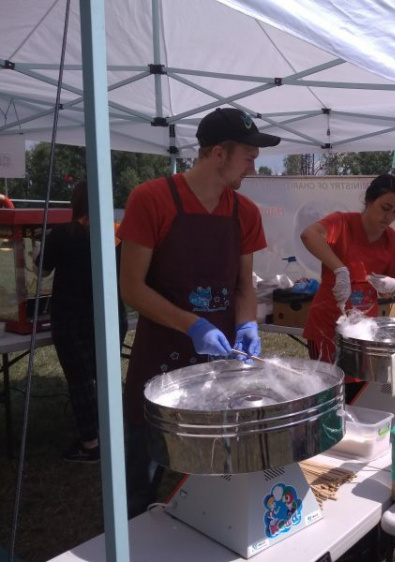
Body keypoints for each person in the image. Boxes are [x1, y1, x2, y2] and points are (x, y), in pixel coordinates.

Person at [118, 107, 279, 517]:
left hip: (220, 364)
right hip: (160, 358)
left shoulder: (245, 212)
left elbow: (245, 285)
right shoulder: (151, 199)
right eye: (248, 155)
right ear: (218, 154)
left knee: (217, 476)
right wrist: (192, 324)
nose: (254, 165)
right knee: (143, 474)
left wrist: (246, 323)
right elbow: (131, 286)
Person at [35, 180, 127, 463]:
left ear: (76, 202)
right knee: (107, 376)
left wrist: (41, 244)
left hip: (73, 317)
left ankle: (91, 444)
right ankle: (118, 433)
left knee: (80, 382)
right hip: (111, 314)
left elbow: (42, 266)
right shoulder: (115, 235)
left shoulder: (63, 234)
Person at [301, 174, 395, 400]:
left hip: (363, 332)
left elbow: (393, 286)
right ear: (368, 200)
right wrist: (340, 269)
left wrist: (389, 285)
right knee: (328, 392)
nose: (389, 217)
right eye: (385, 208)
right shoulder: (342, 223)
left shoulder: (391, 240)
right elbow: (309, 235)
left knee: (359, 395)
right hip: (328, 326)